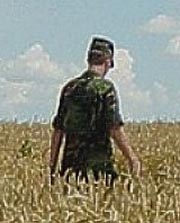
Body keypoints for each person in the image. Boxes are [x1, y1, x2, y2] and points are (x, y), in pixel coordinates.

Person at [49, 36, 141, 187]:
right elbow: (114, 128)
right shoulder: (105, 88)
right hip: (98, 169)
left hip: (70, 170)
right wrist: (132, 158)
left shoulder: (69, 88)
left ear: (89, 60)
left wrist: (52, 167)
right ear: (108, 62)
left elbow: (58, 131)